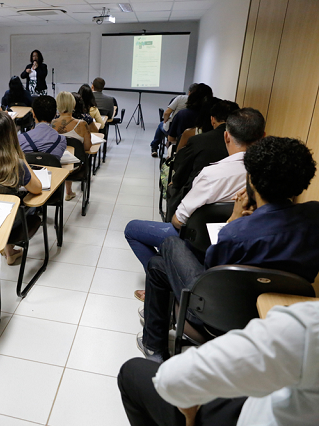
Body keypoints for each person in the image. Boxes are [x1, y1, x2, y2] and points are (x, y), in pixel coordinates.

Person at [138, 136, 319, 363]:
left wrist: (234, 219)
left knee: (170, 244)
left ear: (251, 179)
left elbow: (211, 273)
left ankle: (154, 349)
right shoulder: (315, 216)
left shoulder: (236, 233)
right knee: (157, 266)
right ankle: (152, 344)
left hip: (218, 315)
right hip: (280, 312)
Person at [119, 299, 319, 426]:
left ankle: (155, 341)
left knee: (131, 372)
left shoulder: (310, 324)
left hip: (251, 416)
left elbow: (172, 380)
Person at [125, 107, 266, 272]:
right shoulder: (271, 174)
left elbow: (178, 220)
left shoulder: (212, 174)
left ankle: (161, 277)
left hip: (198, 243)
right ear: (263, 137)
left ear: (226, 136)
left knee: (132, 228)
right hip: (247, 247)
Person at [166, 100, 240, 218]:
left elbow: (181, 172)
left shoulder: (198, 140)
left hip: (196, 206)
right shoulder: (244, 145)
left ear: (212, 119)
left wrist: (174, 183)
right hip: (233, 209)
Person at [0, 111, 42, 265]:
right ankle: (10, 250)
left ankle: (8, 250)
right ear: (11, 134)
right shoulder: (16, 163)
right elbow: (37, 188)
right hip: (10, 219)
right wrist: (21, 158)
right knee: (27, 204)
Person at [52, 91, 92, 200]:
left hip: (54, 165)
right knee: (71, 156)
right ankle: (68, 192)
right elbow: (87, 148)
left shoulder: (51, 124)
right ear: (73, 105)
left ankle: (67, 191)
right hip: (76, 167)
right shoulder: (82, 124)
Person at [150, 83, 196, 157]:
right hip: (193, 131)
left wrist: (165, 121)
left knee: (160, 125)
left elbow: (167, 113)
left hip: (174, 129)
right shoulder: (203, 104)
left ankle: (154, 147)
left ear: (189, 92)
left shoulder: (181, 98)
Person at [18, 95, 67, 160]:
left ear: (33, 114)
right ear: (55, 114)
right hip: (52, 170)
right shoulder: (61, 140)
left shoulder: (20, 139)